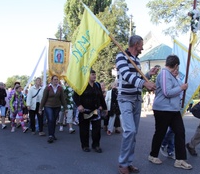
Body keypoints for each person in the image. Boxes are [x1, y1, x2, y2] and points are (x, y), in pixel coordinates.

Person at [116, 35, 158, 174]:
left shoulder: (137, 60)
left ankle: (128, 163)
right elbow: (127, 75)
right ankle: (122, 164)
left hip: (136, 99)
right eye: (141, 45)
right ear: (135, 44)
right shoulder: (121, 57)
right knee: (130, 131)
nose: (142, 47)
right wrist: (144, 83)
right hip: (125, 99)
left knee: (134, 134)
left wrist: (148, 75)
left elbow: (137, 78)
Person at [148, 55, 192, 170]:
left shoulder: (171, 75)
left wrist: (180, 86)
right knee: (160, 133)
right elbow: (167, 92)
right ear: (176, 65)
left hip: (173, 109)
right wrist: (181, 88)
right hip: (162, 109)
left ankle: (180, 159)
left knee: (180, 132)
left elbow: (174, 90)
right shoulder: (164, 74)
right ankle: (153, 155)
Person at [73, 69, 107, 153]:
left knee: (97, 129)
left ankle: (96, 145)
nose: (94, 76)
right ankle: (85, 145)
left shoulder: (97, 85)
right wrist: (79, 105)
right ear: (87, 76)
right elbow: (75, 96)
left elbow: (101, 98)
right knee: (84, 129)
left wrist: (105, 108)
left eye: (95, 74)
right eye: (92, 74)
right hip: (85, 111)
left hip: (95, 111)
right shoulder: (82, 85)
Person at [39, 75, 67, 143]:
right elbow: (44, 98)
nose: (56, 81)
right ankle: (50, 135)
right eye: (54, 79)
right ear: (51, 80)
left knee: (54, 120)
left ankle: (52, 134)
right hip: (48, 106)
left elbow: (62, 99)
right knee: (50, 119)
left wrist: (65, 108)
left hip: (57, 106)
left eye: (57, 79)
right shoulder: (48, 88)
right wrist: (40, 108)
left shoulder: (60, 88)